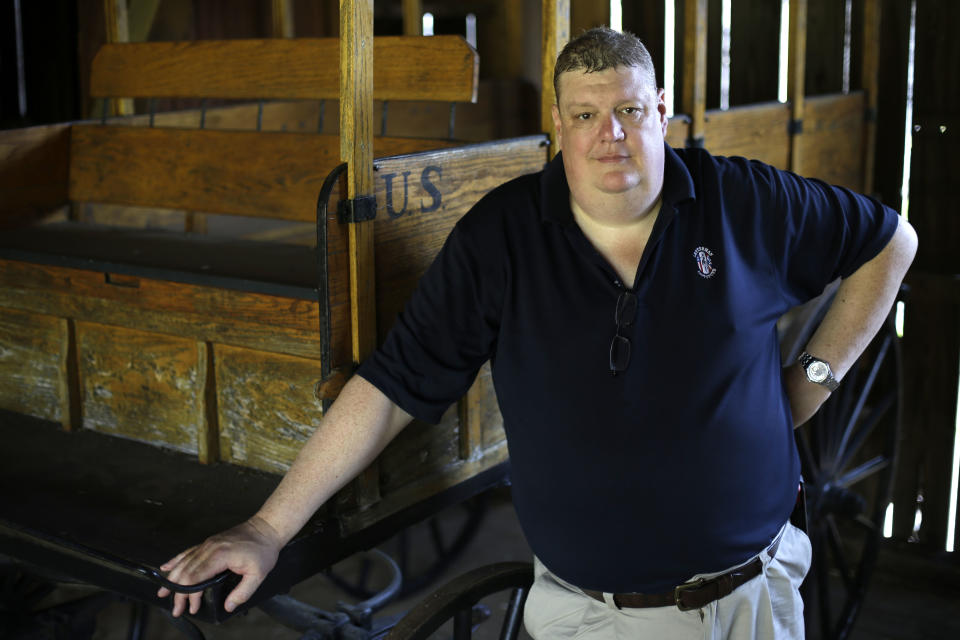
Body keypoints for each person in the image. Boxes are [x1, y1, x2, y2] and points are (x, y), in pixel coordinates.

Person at [158, 27, 917, 639]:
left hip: (743, 607)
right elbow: (390, 387)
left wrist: (812, 379)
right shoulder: (503, 235)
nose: (608, 134)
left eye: (627, 110)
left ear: (662, 108)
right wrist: (266, 527)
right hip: (582, 614)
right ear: (558, 124)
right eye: (585, 115)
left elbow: (892, 241)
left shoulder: (746, 200)